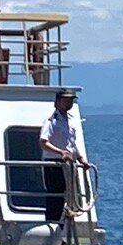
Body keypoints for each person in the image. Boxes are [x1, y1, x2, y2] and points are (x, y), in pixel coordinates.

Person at [38, 88, 83, 224]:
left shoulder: (70, 121)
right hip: (54, 164)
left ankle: (60, 231)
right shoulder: (52, 121)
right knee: (55, 199)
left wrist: (81, 159)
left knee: (65, 197)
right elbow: (43, 142)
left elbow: (71, 143)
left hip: (67, 164)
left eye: (71, 100)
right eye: (65, 100)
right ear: (58, 102)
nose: (68, 103)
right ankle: (52, 229)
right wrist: (61, 152)